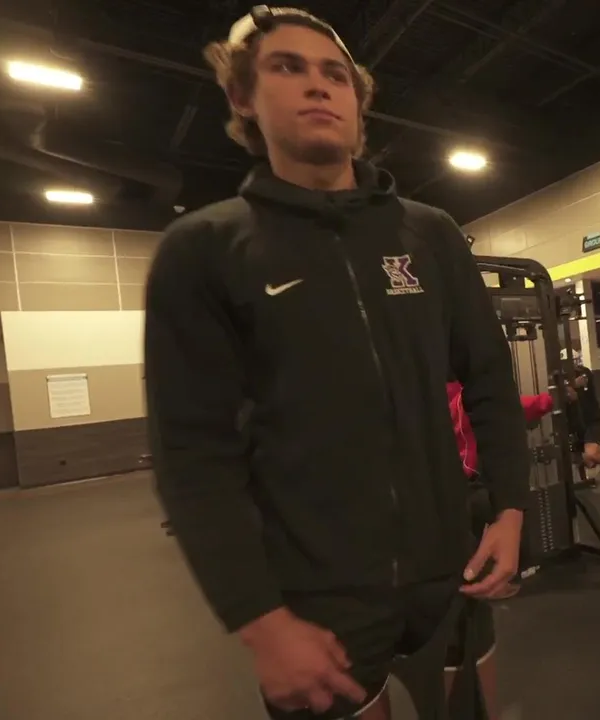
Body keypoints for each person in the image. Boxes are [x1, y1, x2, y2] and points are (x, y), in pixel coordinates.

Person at [144, 8, 529, 720]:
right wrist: (260, 620)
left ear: (358, 101)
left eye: (336, 75)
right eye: (287, 67)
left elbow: (488, 379)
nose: (318, 86)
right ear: (242, 97)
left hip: (451, 573)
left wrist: (510, 507)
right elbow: (191, 454)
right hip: (314, 598)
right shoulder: (203, 250)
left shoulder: (430, 234)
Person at [442, 379, 555, 717]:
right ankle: (497, 582)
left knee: (461, 623)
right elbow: (513, 408)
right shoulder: (458, 392)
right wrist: (549, 400)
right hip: (465, 488)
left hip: (454, 495)